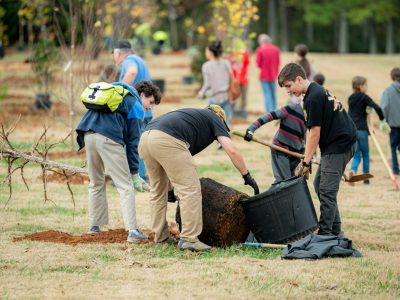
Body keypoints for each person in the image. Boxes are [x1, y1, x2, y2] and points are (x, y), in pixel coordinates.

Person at [139, 105, 259, 251]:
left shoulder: (190, 117)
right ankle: (189, 239)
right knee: (190, 190)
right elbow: (232, 150)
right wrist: (246, 174)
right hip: (167, 140)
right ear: (220, 117)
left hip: (146, 138)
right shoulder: (215, 118)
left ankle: (160, 237)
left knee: (158, 192)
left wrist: (169, 190)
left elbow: (169, 164)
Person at [76, 80, 161, 242]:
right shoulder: (135, 105)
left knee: (96, 181)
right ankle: (133, 231)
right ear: (142, 95)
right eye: (150, 102)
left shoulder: (116, 93)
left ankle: (94, 226)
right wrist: (135, 173)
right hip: (108, 137)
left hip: (88, 135)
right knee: (125, 185)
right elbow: (133, 143)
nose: (150, 107)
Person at [278, 63, 357, 236]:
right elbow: (310, 130)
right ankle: (335, 230)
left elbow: (315, 133)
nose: (288, 91)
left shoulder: (313, 97)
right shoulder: (312, 93)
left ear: (299, 79)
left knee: (327, 190)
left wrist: (306, 162)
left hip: (340, 144)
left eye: (289, 86)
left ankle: (326, 234)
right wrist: (307, 157)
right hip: (336, 143)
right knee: (319, 184)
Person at [113, 39, 153, 185]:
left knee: (134, 144)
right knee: (138, 144)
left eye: (113, 53)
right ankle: (139, 175)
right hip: (145, 110)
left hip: (135, 113)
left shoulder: (129, 61)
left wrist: (119, 90)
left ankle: (139, 177)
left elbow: (132, 72)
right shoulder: (139, 59)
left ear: (118, 53)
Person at [244, 101, 306, 184]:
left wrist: (310, 156)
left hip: (297, 153)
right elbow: (269, 116)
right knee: (284, 182)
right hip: (280, 149)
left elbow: (312, 137)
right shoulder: (290, 109)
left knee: (295, 183)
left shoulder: (314, 115)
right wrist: (251, 129)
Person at [348, 76, 386, 184]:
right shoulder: (364, 97)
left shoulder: (350, 98)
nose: (367, 87)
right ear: (360, 86)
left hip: (353, 131)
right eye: (366, 85)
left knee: (356, 155)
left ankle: (353, 171)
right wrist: (382, 119)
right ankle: (366, 179)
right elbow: (377, 107)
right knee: (365, 154)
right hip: (362, 131)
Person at [198, 41, 232, 127]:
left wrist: (201, 92)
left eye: (206, 51)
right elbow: (231, 78)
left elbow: (207, 83)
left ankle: (218, 139)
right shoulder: (226, 63)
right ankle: (227, 138)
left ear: (210, 52)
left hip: (214, 98)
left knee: (213, 122)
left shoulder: (206, 66)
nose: (205, 53)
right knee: (226, 122)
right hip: (225, 96)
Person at [381, 67, 400, 175]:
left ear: (392, 77)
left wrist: (384, 120)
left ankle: (396, 169)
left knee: (393, 147)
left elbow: (384, 107)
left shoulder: (387, 91)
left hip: (393, 124)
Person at [255, 34, 280, 112]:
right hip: (273, 74)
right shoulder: (276, 49)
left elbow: (258, 64)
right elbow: (278, 62)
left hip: (264, 75)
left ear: (261, 41)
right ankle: (275, 110)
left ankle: (269, 112)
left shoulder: (260, 50)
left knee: (267, 94)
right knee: (273, 94)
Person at [229, 38, 250, 112]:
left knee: (243, 97)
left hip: (243, 79)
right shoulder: (232, 54)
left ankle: (242, 110)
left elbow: (247, 62)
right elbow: (229, 65)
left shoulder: (245, 54)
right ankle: (233, 110)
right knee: (234, 96)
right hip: (234, 80)